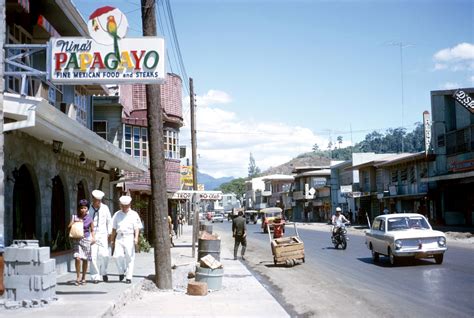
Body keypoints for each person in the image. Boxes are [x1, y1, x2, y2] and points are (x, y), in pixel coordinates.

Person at [111, 195, 141, 284]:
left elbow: (137, 228)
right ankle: (121, 272)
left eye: (126, 206)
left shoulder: (134, 214)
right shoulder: (117, 214)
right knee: (116, 256)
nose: (124, 208)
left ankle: (129, 277)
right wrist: (112, 239)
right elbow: (113, 228)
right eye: (122, 206)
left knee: (129, 257)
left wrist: (136, 238)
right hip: (119, 236)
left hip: (129, 236)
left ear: (129, 205)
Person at [68, 199, 95, 286]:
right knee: (77, 258)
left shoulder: (90, 218)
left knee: (85, 259)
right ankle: (78, 277)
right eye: (81, 208)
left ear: (87, 209)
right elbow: (68, 227)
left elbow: (92, 230)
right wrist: (74, 223)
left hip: (86, 240)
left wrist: (93, 238)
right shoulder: (75, 217)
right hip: (77, 240)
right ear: (79, 209)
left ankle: (84, 277)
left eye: (85, 208)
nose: (83, 210)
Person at [89, 189, 112, 284]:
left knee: (105, 255)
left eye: (99, 201)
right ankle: (95, 277)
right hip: (92, 234)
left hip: (103, 234)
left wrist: (109, 233)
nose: (97, 202)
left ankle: (104, 272)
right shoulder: (88, 208)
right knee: (93, 255)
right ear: (93, 199)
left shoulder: (105, 208)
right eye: (95, 200)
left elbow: (109, 221)